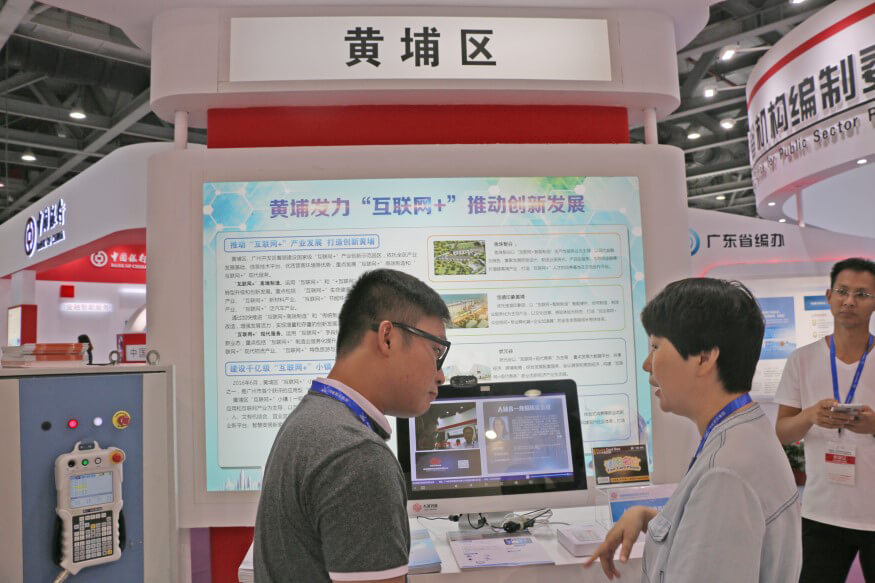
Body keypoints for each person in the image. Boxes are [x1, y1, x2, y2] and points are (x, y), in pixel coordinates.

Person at [584, 278, 801, 582]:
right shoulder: (744, 434)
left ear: (704, 357)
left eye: (656, 347)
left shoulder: (725, 474)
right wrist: (648, 518)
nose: (647, 364)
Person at [254, 269, 450, 583]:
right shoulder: (357, 455)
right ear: (388, 337)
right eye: (436, 351)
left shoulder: (314, 418)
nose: (440, 375)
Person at [775, 257, 875, 582]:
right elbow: (781, 433)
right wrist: (810, 416)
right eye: (842, 291)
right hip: (822, 513)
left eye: (862, 294)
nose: (850, 301)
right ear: (829, 296)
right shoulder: (801, 360)